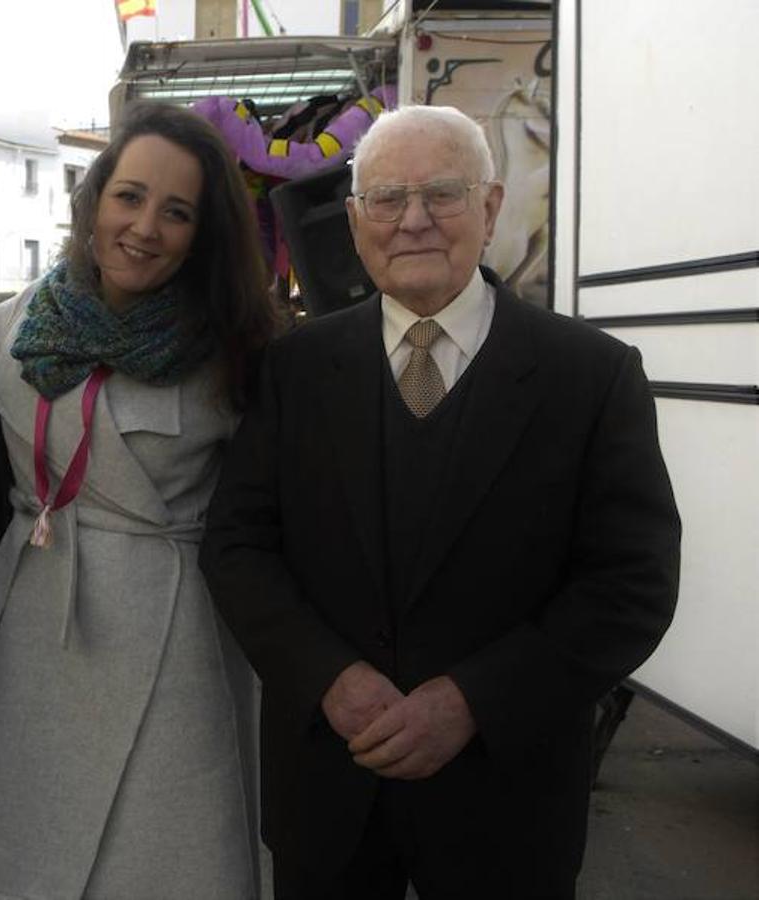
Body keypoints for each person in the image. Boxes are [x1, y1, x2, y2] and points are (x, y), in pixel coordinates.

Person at [200, 105, 681, 900]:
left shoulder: (590, 377)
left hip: (507, 804)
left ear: (490, 208)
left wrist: (473, 701)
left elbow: (630, 583)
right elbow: (238, 545)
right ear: (355, 222)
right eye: (387, 199)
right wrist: (328, 677)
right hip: (329, 788)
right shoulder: (291, 370)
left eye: (442, 194)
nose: (413, 220)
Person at [0, 102, 280, 900]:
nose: (144, 227)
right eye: (129, 196)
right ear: (94, 199)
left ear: (204, 233)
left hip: (177, 642)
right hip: (39, 632)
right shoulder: (6, 326)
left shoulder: (240, 348)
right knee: (35, 861)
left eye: (177, 211)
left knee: (165, 861)